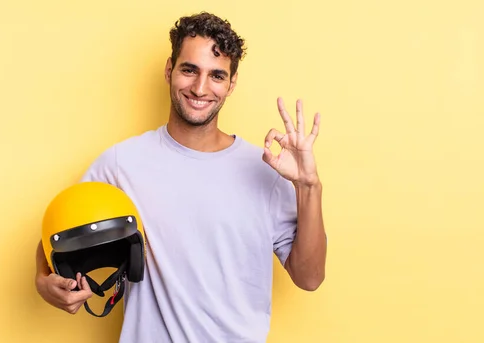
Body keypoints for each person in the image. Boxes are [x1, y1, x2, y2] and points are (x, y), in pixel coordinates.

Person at [35, 11, 327, 343]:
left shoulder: (265, 169)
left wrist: (308, 186)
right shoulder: (121, 164)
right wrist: (43, 281)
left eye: (217, 75)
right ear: (169, 69)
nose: (200, 88)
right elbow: (58, 234)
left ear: (231, 84)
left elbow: (310, 277)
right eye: (189, 70)